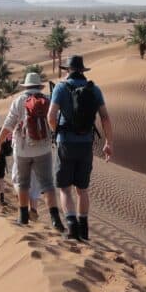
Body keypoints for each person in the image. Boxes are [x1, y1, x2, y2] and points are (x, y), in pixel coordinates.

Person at [48, 55, 114, 241]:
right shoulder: (94, 89)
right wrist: (109, 143)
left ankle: (72, 227)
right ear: (82, 71)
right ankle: (84, 229)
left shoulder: (61, 87)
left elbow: (51, 116)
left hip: (65, 143)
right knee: (82, 189)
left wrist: (57, 132)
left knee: (64, 188)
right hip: (86, 144)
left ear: (67, 70)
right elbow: (105, 118)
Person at [0, 72, 65, 231]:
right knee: (47, 185)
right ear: (39, 86)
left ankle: (23, 217)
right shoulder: (47, 99)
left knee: (23, 183)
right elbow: (55, 121)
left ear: (26, 86)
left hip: (22, 150)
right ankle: (55, 219)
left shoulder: (19, 101)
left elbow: (8, 125)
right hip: (43, 149)